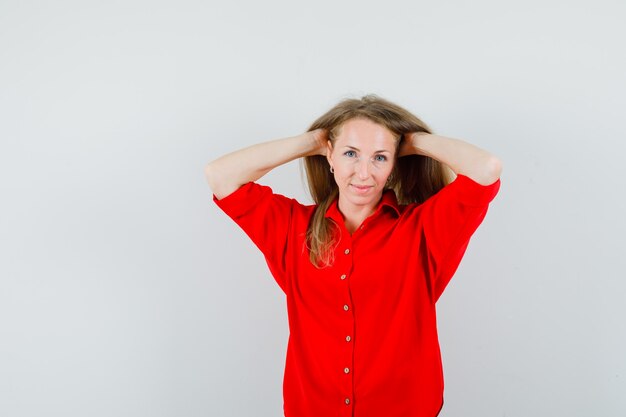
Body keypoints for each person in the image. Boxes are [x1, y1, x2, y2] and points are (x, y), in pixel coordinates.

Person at [205, 95, 502, 417]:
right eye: (350, 154)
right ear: (329, 156)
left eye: (380, 157)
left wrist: (413, 140)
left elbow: (486, 169)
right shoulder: (292, 228)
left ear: (394, 165)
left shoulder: (424, 230)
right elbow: (220, 175)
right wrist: (313, 140)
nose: (363, 173)